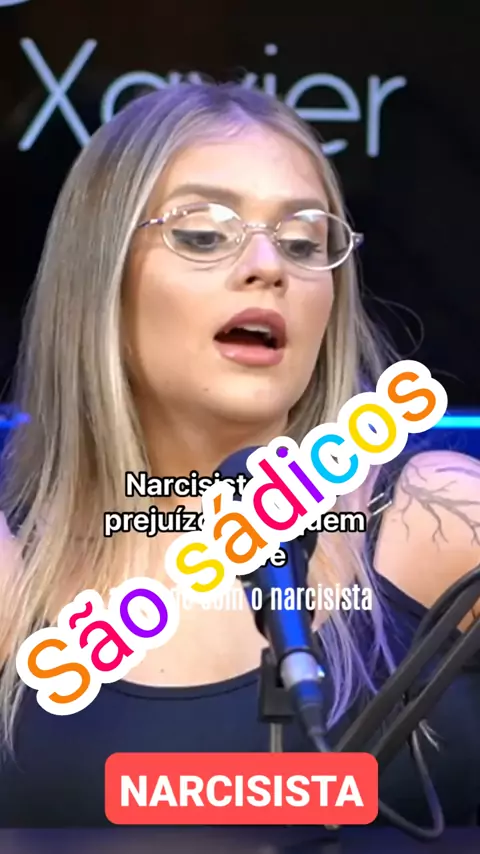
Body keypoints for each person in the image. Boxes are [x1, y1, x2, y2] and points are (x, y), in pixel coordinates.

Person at [0, 82, 478, 829]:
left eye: (303, 243)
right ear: (101, 278)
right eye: (202, 234)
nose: (268, 267)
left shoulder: (438, 519)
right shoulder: (13, 568)